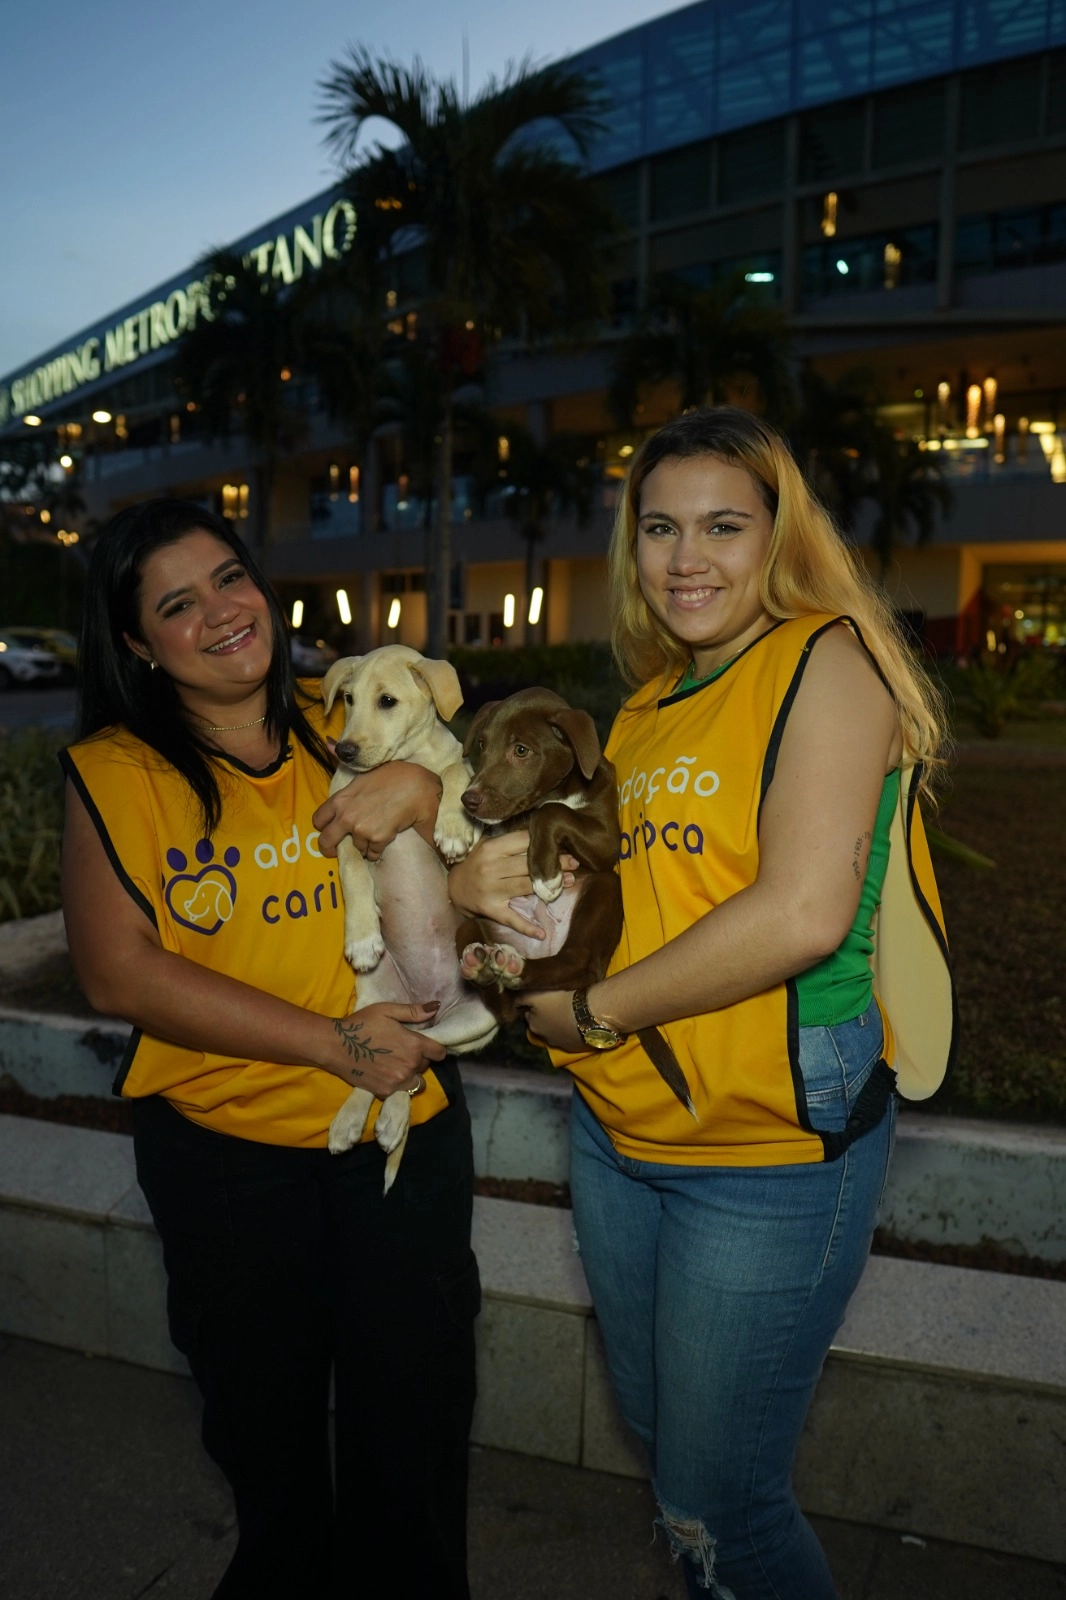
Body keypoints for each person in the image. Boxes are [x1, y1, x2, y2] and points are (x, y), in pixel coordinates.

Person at [474, 407, 955, 1600]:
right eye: (660, 528)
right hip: (620, 1124)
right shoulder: (645, 707)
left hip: (768, 1140)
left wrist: (591, 1010)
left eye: (723, 526)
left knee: (719, 1502)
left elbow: (800, 914)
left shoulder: (825, 660)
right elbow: (620, 895)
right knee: (666, 1449)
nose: (686, 557)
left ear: (777, 537)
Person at [60, 498, 480, 1600]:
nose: (220, 612)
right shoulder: (118, 770)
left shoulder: (345, 713)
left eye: (230, 577)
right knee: (271, 1462)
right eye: (177, 605)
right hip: (228, 1164)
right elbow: (118, 973)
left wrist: (425, 785)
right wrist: (334, 1043)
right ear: (138, 643)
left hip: (401, 1143)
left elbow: (488, 800)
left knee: (413, 1449)